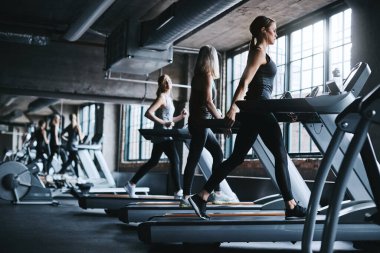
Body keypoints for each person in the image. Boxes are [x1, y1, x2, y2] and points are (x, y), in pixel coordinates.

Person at [189, 16, 307, 220]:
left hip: (256, 110)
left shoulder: (260, 52)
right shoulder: (259, 52)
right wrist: (233, 109)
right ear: (263, 30)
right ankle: (291, 205)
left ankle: (201, 196)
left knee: (237, 157)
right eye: (274, 30)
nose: (276, 34)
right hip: (258, 110)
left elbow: (260, 88)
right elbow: (244, 83)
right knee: (280, 155)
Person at [180, 45, 236, 208]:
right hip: (201, 124)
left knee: (217, 153)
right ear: (212, 59)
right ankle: (185, 197)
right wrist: (221, 119)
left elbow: (202, 103)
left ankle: (216, 193)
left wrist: (216, 117)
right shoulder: (206, 76)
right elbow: (208, 102)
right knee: (194, 158)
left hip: (199, 123)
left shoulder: (198, 75)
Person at [124, 74, 187, 198]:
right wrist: (164, 123)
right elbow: (148, 113)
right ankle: (178, 191)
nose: (168, 84)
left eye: (169, 81)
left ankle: (131, 184)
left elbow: (168, 119)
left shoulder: (168, 98)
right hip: (162, 135)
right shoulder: (162, 97)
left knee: (153, 161)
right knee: (175, 160)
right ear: (163, 85)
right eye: (166, 82)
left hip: (164, 135)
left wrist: (181, 116)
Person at [59, 113, 84, 177]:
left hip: (69, 145)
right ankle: (78, 176)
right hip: (74, 146)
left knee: (70, 160)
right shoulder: (77, 126)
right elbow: (81, 138)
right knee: (75, 161)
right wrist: (82, 134)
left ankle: (62, 171)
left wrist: (67, 139)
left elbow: (61, 134)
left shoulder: (69, 126)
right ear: (75, 118)